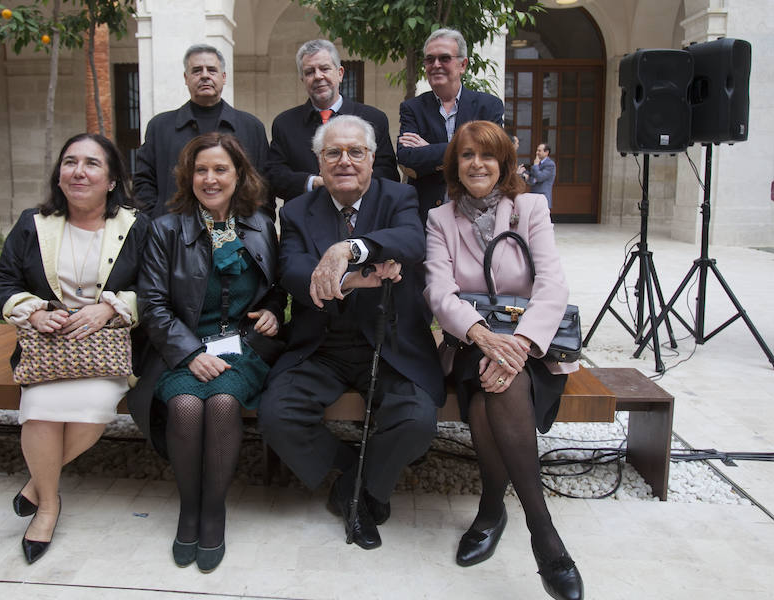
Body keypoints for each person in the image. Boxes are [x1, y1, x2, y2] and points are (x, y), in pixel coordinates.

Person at [258, 115, 444, 550]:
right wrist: (346, 282)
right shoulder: (299, 211)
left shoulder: (399, 195)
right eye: (333, 153)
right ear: (319, 162)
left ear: (372, 158)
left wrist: (351, 249)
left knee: (417, 421)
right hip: (322, 345)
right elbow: (292, 269)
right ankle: (360, 476)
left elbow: (411, 241)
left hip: (390, 340)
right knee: (277, 417)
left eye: (355, 152)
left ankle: (352, 492)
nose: (345, 161)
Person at [423, 121, 583, 600]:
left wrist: (521, 344)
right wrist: (479, 334)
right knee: (495, 385)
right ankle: (545, 537)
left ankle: (496, 510)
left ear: (504, 163)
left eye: (487, 156)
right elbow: (438, 290)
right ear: (455, 164)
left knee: (489, 399)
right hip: (474, 342)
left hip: (533, 346)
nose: (477, 164)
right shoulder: (440, 219)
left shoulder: (531, 208)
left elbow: (552, 285)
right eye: (467, 155)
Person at [128, 133, 285, 573]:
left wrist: (273, 310)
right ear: (188, 176)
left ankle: (213, 511)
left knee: (220, 402)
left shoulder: (258, 225)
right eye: (201, 170)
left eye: (221, 169)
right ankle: (189, 508)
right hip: (180, 346)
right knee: (183, 405)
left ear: (239, 175)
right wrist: (189, 352)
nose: (210, 179)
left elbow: (277, 287)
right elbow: (153, 305)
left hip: (244, 346)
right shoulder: (165, 229)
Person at [0, 133, 149, 564]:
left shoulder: (135, 225)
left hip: (107, 348)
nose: (79, 172)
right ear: (59, 175)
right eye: (70, 162)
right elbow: (2, 282)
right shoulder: (32, 223)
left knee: (92, 410)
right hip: (49, 348)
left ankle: (37, 483)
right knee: (39, 409)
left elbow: (155, 289)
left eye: (92, 164)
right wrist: (34, 313)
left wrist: (110, 310)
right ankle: (49, 504)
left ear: (112, 179)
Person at [133, 44, 271, 219]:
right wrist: (155, 221)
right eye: (197, 71)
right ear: (186, 77)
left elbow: (264, 184)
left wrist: (259, 227)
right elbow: (143, 182)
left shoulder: (251, 127)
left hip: (237, 234)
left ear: (223, 77)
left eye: (211, 70)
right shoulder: (160, 127)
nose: (205, 76)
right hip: (174, 235)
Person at [265, 39, 399, 203]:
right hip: (304, 220)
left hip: (363, 219)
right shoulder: (284, 123)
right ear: (302, 80)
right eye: (309, 72)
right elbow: (274, 175)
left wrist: (348, 184)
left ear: (340, 73)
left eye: (324, 69)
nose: (318, 76)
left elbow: (388, 173)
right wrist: (313, 182)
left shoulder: (373, 119)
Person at [397, 28, 504, 224]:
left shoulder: (488, 106)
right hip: (427, 215)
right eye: (429, 59)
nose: (436, 65)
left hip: (478, 212)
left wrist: (430, 151)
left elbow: (494, 153)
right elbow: (407, 158)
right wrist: (466, 152)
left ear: (462, 65)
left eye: (444, 58)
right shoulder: (412, 108)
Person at [527, 143, 556, 208]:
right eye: (537, 150)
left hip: (543, 196)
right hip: (533, 195)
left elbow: (540, 177)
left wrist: (536, 166)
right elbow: (531, 180)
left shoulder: (550, 164)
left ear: (546, 152)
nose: (537, 153)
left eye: (539, 151)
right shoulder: (536, 162)